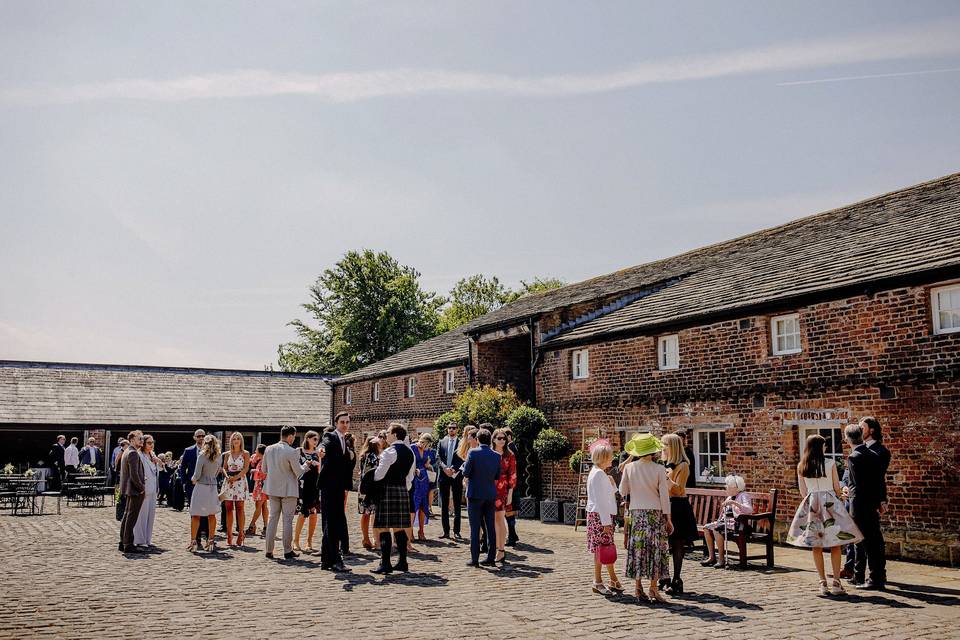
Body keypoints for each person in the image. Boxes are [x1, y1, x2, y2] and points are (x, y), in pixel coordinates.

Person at [787, 433, 862, 596]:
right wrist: (842, 494)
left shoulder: (802, 466)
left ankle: (822, 583)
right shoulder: (830, 463)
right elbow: (836, 487)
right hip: (830, 503)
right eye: (823, 445)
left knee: (816, 545)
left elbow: (803, 492)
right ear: (819, 447)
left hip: (812, 504)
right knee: (836, 542)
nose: (825, 447)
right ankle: (836, 582)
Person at [618, 433, 673, 603]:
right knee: (655, 550)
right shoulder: (658, 469)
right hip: (654, 514)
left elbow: (622, 491)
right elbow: (664, 496)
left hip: (636, 513)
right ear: (653, 451)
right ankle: (653, 588)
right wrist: (668, 519)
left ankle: (637, 587)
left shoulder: (629, 468)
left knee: (638, 550)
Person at [262, 426, 320, 560]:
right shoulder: (292, 451)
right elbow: (299, 472)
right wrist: (307, 465)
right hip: (288, 490)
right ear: (289, 437)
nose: (294, 439)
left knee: (272, 519)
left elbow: (264, 470)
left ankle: (269, 550)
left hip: (272, 488)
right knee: (287, 520)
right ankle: (287, 551)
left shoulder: (269, 449)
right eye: (293, 436)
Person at [846, 422, 887, 590]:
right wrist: (881, 501)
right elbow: (879, 481)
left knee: (866, 543)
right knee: (870, 541)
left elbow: (857, 484)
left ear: (847, 438)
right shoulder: (872, 454)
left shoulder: (854, 456)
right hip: (871, 503)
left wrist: (848, 491)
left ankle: (874, 579)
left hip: (860, 505)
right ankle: (859, 576)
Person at [371, 422, 416, 574]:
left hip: (387, 490)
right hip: (402, 489)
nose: (386, 435)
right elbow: (410, 477)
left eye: (388, 432)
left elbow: (378, 475)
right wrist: (403, 488)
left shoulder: (389, 452)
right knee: (399, 527)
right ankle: (402, 562)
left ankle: (385, 563)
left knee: (383, 527)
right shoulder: (410, 452)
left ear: (395, 434)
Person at [661, 433, 697, 595]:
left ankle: (677, 579)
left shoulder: (683, 465)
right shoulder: (665, 464)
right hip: (665, 505)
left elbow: (679, 489)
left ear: (672, 447)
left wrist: (666, 479)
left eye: (664, 445)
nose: (662, 448)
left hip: (678, 506)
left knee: (676, 544)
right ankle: (664, 576)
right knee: (664, 543)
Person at [585, 439, 623, 595]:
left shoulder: (597, 472)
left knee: (603, 549)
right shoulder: (599, 474)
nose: (612, 459)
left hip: (597, 515)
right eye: (610, 456)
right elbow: (601, 501)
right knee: (602, 549)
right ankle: (598, 581)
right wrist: (606, 522)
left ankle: (612, 579)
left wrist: (612, 483)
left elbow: (608, 494)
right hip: (601, 516)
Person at [319, 412, 354, 572]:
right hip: (329, 485)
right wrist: (321, 451)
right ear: (336, 422)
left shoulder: (344, 439)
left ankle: (326, 560)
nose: (345, 424)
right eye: (342, 422)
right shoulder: (331, 436)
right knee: (332, 523)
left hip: (339, 486)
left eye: (347, 422)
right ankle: (336, 560)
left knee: (332, 522)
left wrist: (351, 455)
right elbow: (324, 445)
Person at [462, 427, 501, 568]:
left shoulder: (473, 452)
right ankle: (491, 557)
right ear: (490, 440)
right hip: (490, 494)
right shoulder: (496, 455)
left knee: (475, 527)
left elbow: (466, 472)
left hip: (474, 494)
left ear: (477, 440)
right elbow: (497, 476)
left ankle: (474, 558)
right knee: (490, 526)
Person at [701, 475, 753, 568]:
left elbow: (749, 509)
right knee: (706, 527)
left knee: (716, 529)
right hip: (727, 523)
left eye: (728, 485)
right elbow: (723, 514)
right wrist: (718, 521)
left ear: (736, 488)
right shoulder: (729, 497)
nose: (726, 487)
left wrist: (734, 503)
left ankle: (721, 560)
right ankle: (712, 557)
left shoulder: (743, 495)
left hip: (739, 524)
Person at [189, 435, 222, 552]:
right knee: (211, 514)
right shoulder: (219, 457)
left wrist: (193, 479)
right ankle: (211, 540)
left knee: (196, 514)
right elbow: (218, 472)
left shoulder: (202, 456)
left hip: (201, 487)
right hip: (212, 487)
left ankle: (193, 541)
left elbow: (197, 474)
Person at [294, 430, 322, 553]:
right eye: (314, 439)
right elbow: (295, 467)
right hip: (302, 484)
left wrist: (318, 464)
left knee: (313, 512)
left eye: (317, 439)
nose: (316, 442)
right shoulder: (299, 451)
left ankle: (309, 541)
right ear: (308, 438)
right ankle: (296, 540)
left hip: (314, 485)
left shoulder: (317, 453)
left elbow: (321, 469)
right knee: (302, 513)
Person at [118, 431, 146, 554]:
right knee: (131, 517)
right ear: (132, 440)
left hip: (129, 488)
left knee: (127, 515)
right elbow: (134, 475)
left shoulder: (127, 451)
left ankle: (122, 542)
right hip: (134, 490)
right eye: (139, 438)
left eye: (142, 438)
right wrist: (141, 488)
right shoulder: (133, 453)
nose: (141, 440)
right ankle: (128, 544)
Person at [491, 428, 516, 564]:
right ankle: (496, 547)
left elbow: (512, 475)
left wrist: (510, 493)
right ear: (493, 439)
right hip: (489, 488)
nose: (502, 440)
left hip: (503, 489)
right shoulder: (490, 453)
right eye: (499, 438)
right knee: (493, 520)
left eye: (504, 438)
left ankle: (500, 550)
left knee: (500, 518)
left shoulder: (509, 454)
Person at [222, 432, 251, 547]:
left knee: (240, 508)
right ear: (231, 441)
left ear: (241, 441)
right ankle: (229, 534)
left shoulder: (245, 454)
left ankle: (240, 533)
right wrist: (227, 476)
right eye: (234, 438)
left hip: (240, 482)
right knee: (228, 508)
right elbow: (224, 468)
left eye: (238, 438)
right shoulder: (227, 454)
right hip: (229, 482)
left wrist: (236, 477)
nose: (236, 440)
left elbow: (246, 468)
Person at [437, 422, 464, 540]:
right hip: (444, 475)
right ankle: (446, 531)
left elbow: (463, 458)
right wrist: (444, 468)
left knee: (457, 504)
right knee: (444, 504)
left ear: (457, 430)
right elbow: (438, 457)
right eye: (449, 428)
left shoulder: (461, 442)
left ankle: (456, 531)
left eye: (453, 428)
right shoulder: (442, 441)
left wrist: (453, 468)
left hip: (456, 475)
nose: (451, 430)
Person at [133, 434, 160, 548]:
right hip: (144, 489)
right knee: (142, 515)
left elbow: (158, 470)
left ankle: (148, 538)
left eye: (153, 442)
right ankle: (140, 539)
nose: (151, 445)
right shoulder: (140, 455)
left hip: (153, 488)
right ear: (143, 444)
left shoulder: (152, 455)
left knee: (150, 515)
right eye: (149, 443)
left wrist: (157, 462)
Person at [358, 435, 383, 549]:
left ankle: (365, 538)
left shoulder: (363, 455)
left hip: (363, 487)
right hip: (372, 489)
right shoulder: (374, 456)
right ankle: (373, 539)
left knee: (365, 514)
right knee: (372, 513)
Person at [411, 433, 436, 542]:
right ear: (422, 441)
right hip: (414, 479)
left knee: (423, 506)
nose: (426, 448)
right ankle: (410, 532)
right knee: (413, 506)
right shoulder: (412, 448)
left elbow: (427, 464)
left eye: (428, 446)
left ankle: (421, 531)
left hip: (424, 479)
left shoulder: (427, 451)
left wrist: (429, 466)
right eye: (426, 445)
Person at [247, 444, 269, 536]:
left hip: (261, 485)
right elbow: (252, 461)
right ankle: (265, 527)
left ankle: (252, 526)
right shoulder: (262, 459)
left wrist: (253, 471)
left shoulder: (264, 461)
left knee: (258, 506)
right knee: (264, 506)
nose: (255, 451)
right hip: (262, 485)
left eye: (256, 450)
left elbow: (263, 473)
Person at [503, 427, 521, 546]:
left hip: (511, 487)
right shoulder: (513, 447)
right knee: (509, 513)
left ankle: (512, 536)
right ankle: (513, 535)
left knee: (509, 513)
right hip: (513, 486)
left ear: (509, 437)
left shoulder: (510, 449)